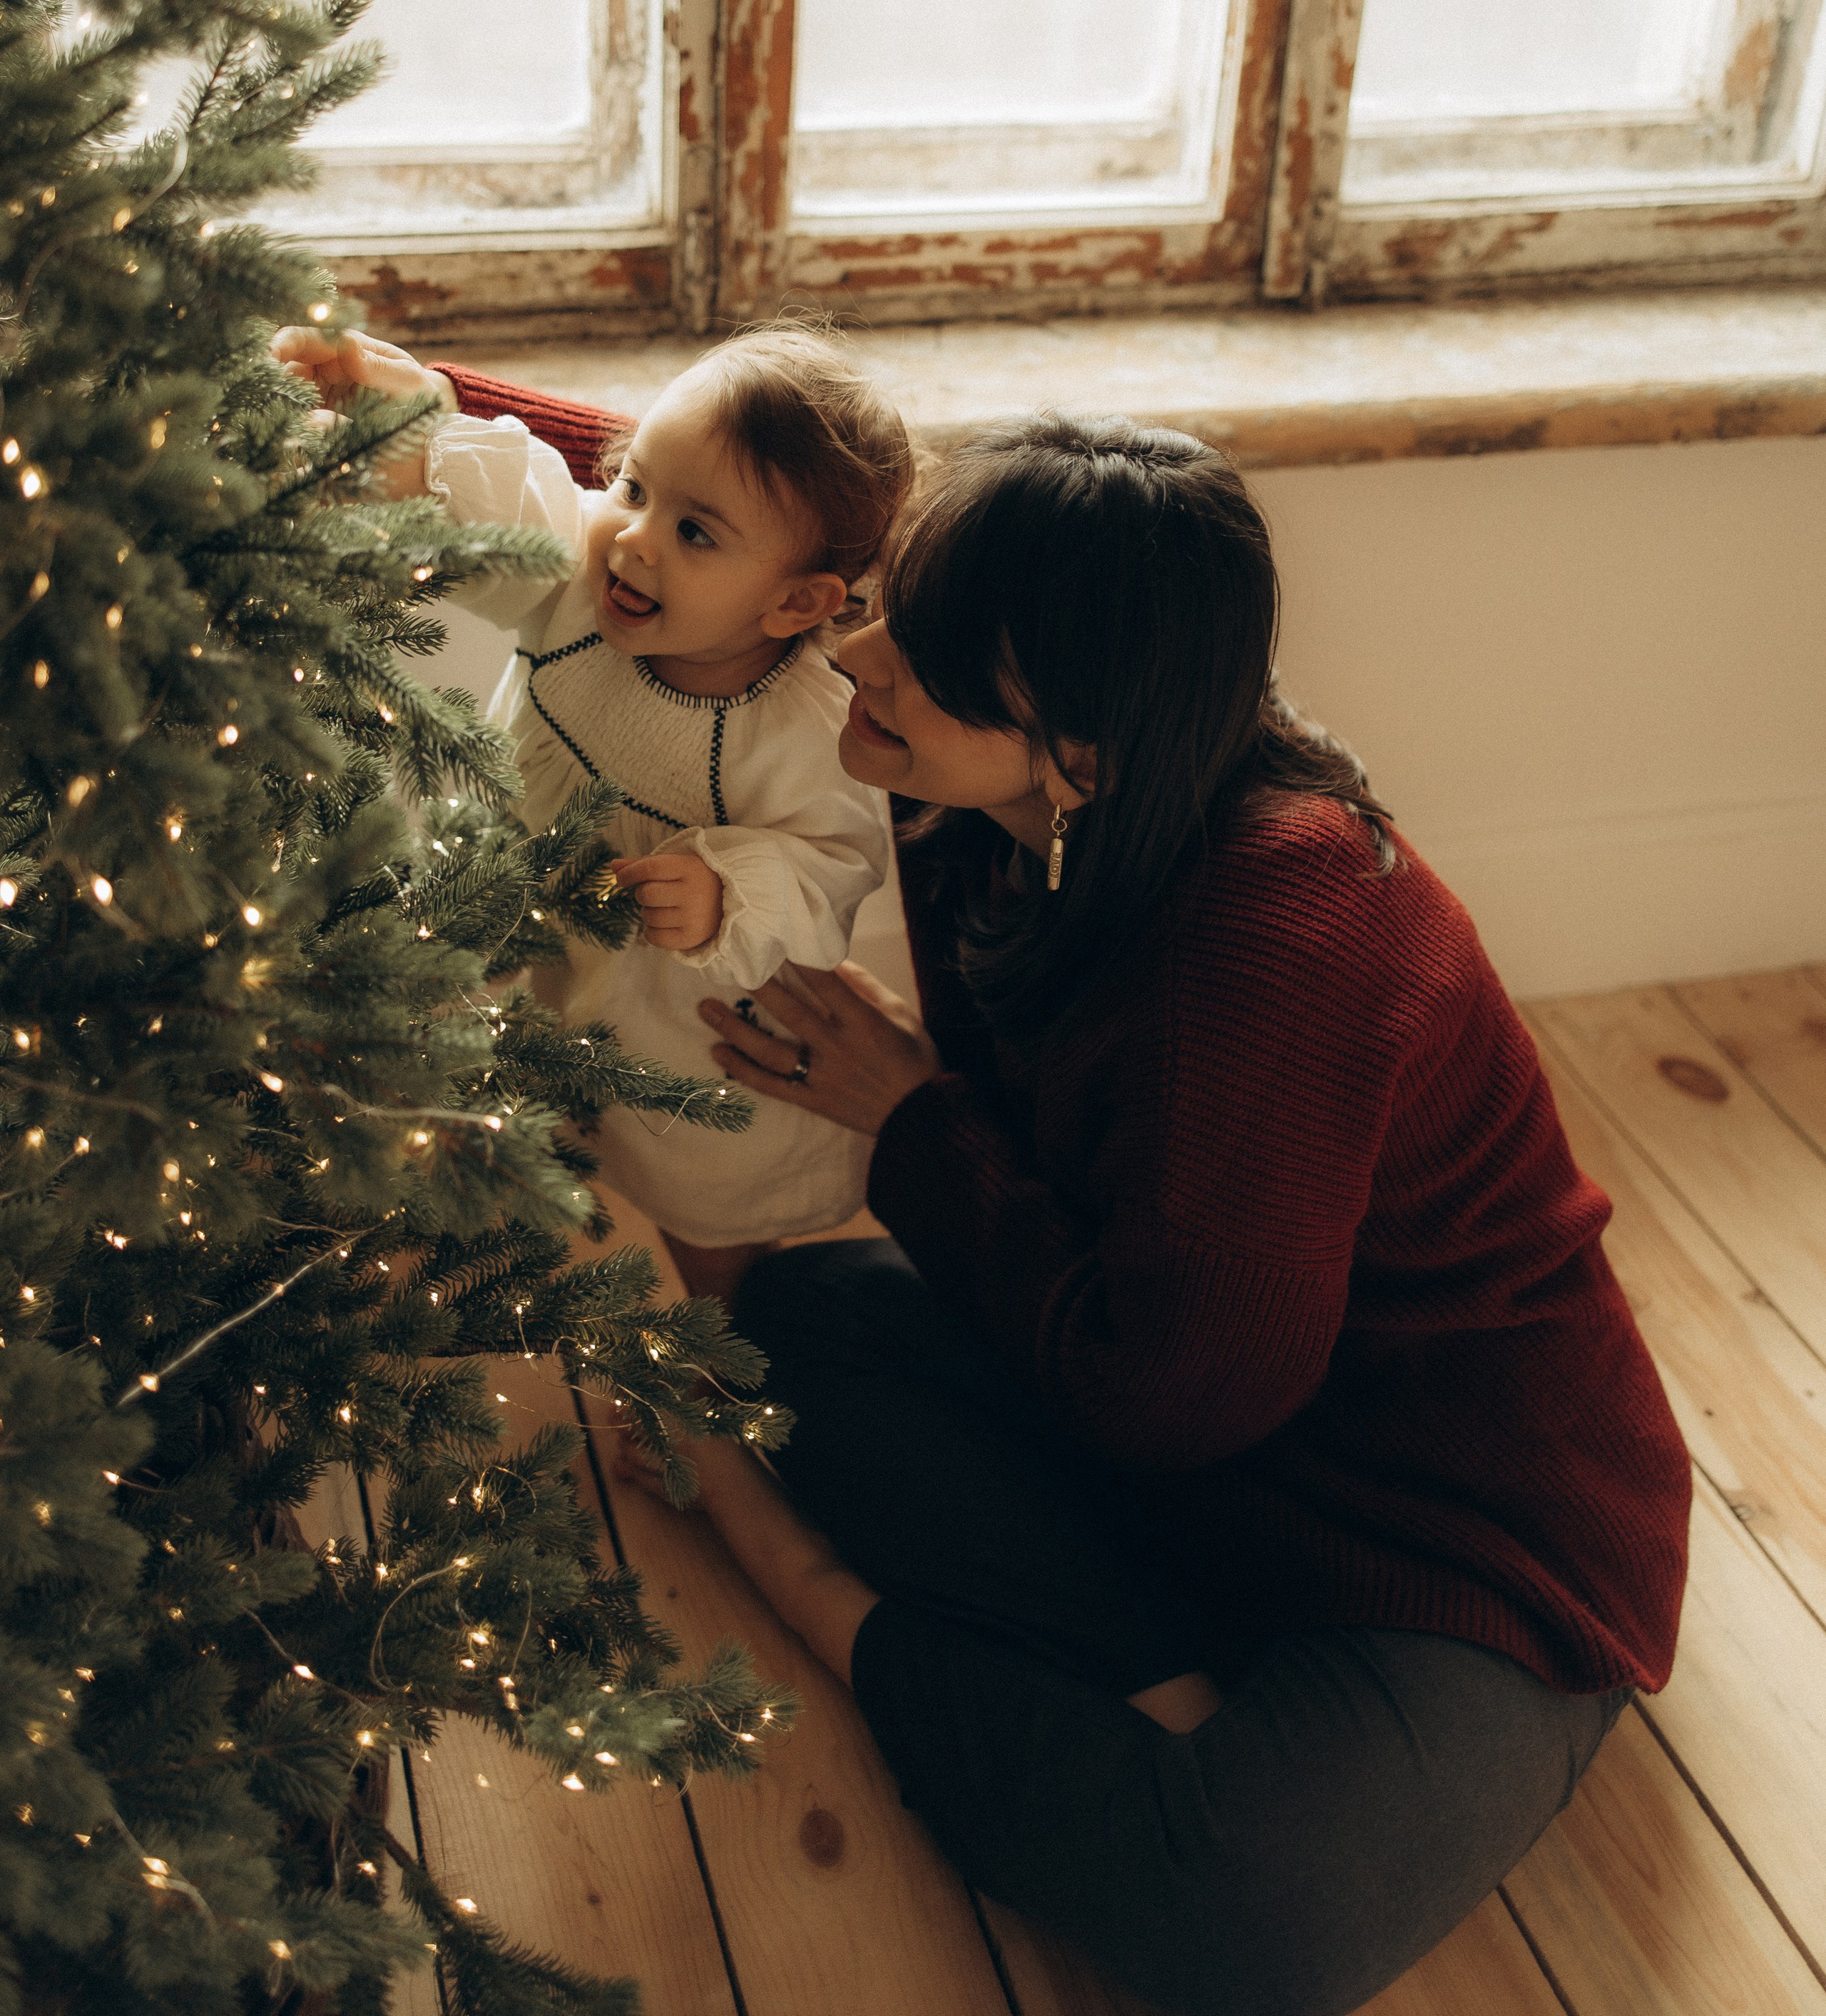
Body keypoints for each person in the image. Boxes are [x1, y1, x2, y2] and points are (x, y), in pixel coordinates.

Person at [388, 372, 1695, 2015]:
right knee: (786, 1318)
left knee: (1244, 1923)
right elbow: (750, 477)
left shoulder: (1284, 939)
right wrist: (404, 384)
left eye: (916, 651)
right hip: (1162, 1406)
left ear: (1073, 745)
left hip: (1442, 1522)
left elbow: (1178, 1393)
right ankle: (1134, 1655)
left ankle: (805, 1571)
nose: (857, 650)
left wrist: (913, 1122)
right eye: (880, 606)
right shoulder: (989, 773)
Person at [270, 320, 914, 1297]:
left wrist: (727, 890)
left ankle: (724, 1333)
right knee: (510, 1102)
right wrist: (411, 437)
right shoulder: (582, 582)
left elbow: (833, 865)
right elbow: (517, 515)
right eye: (636, 488)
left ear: (794, 604)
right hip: (529, 948)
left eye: (695, 532)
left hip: (683, 1031)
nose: (634, 540)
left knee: (702, 1209)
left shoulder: (805, 728)